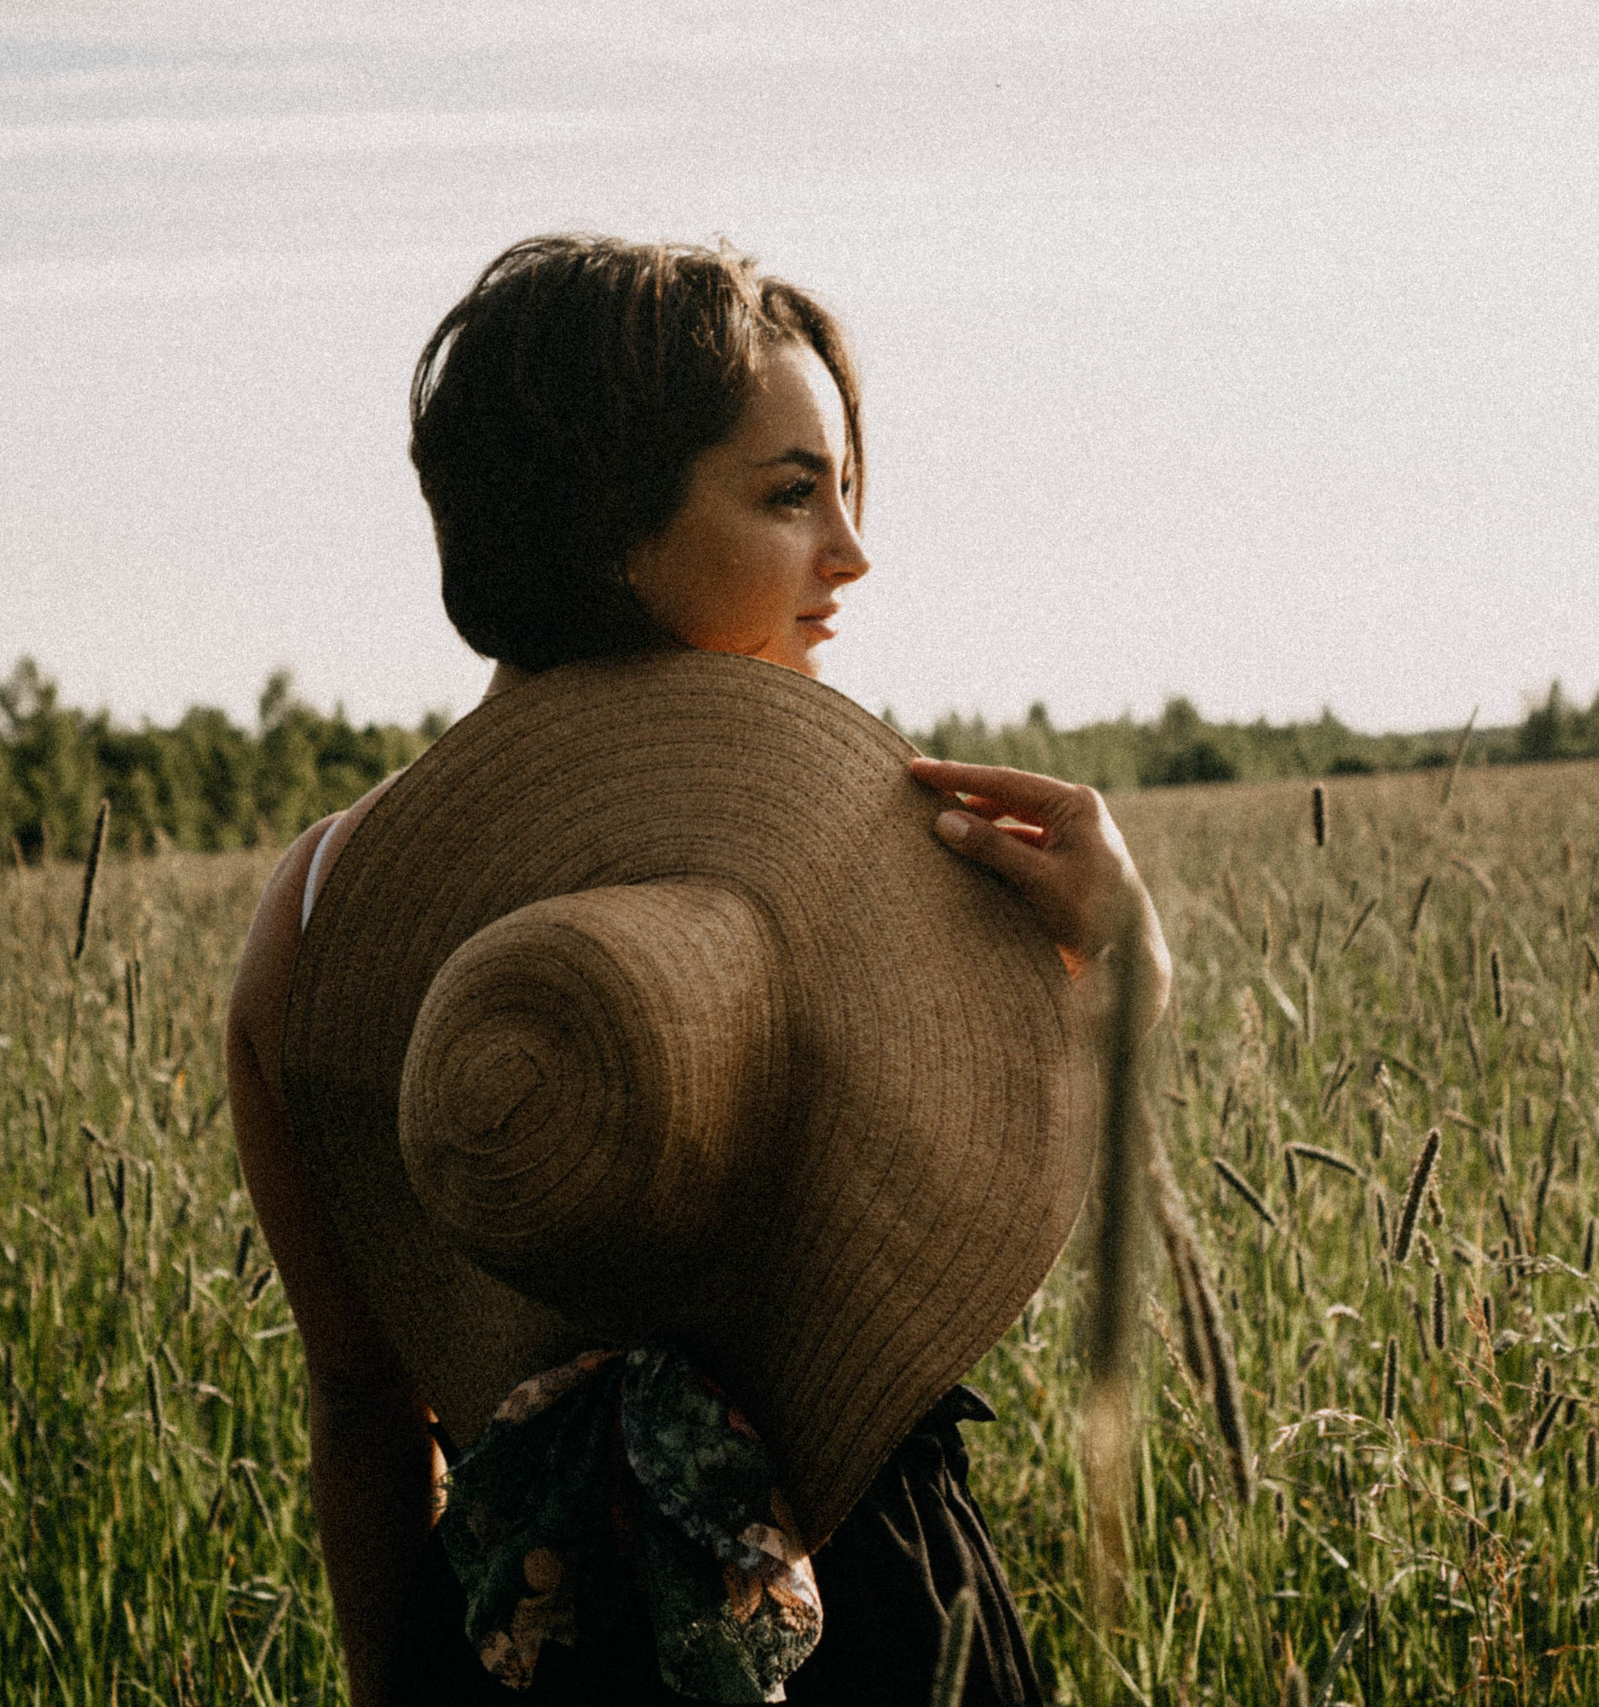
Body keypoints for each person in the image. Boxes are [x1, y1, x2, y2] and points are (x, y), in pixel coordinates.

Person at [224, 234, 1171, 1705]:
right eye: (794, 495)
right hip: (866, 1630)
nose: (853, 555)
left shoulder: (314, 916)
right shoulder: (888, 863)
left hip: (512, 1644)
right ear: (606, 521)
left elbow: (362, 1406)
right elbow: (987, 1245)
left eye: (848, 491)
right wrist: (1125, 971)